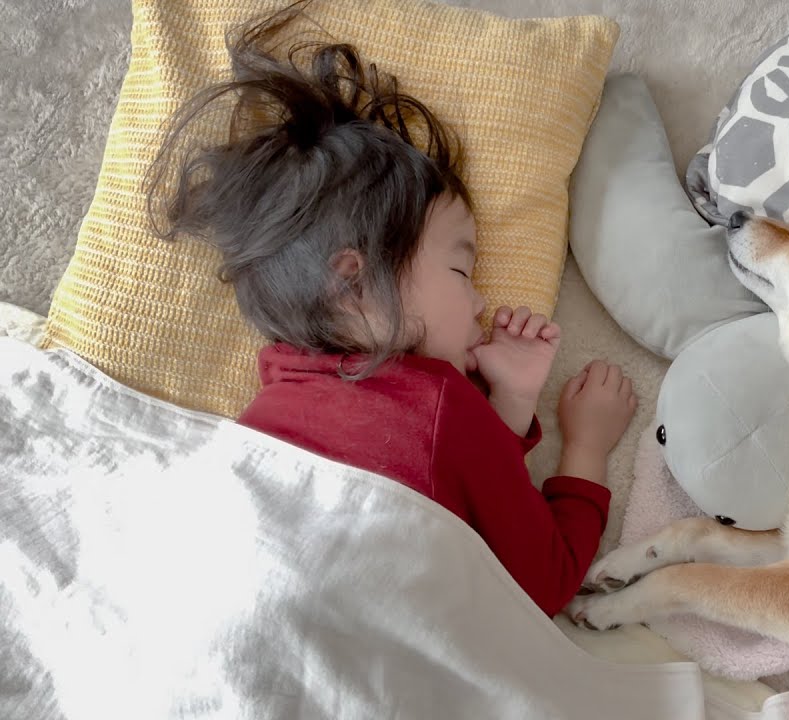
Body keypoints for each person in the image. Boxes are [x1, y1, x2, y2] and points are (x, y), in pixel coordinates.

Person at [145, 1, 636, 616]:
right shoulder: (442, 403)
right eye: (461, 269)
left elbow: (443, 481)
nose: (481, 299)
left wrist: (505, 408)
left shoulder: (271, 400)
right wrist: (586, 446)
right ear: (356, 282)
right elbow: (542, 582)